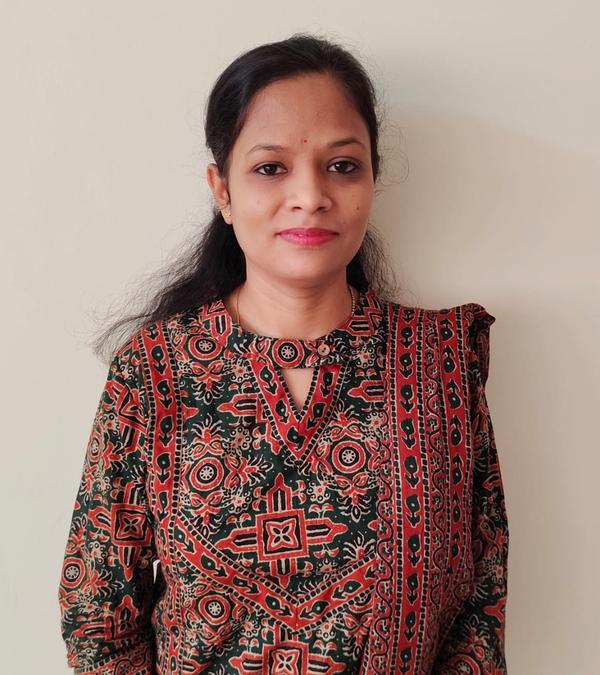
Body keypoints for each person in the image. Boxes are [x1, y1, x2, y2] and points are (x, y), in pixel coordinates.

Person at [58, 33, 509, 674]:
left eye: (342, 165)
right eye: (271, 168)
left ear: (373, 178)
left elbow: (480, 607)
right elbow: (97, 621)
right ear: (222, 189)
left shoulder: (441, 364)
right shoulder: (154, 373)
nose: (311, 195)